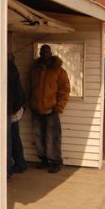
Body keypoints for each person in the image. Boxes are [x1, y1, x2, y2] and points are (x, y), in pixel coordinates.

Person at [29, 44, 70, 173]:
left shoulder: (58, 70)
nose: (44, 54)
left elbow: (64, 90)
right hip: (36, 108)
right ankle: (43, 160)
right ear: (40, 53)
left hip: (51, 109)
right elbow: (29, 87)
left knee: (53, 136)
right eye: (42, 52)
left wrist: (59, 106)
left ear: (50, 53)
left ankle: (55, 161)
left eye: (47, 52)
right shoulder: (34, 69)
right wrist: (30, 102)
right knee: (38, 135)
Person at [7, 53, 28, 178]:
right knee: (14, 138)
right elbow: (19, 91)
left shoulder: (9, 69)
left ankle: (8, 169)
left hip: (10, 110)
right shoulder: (14, 69)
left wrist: (13, 108)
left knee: (9, 139)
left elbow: (15, 92)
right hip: (15, 108)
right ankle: (20, 163)